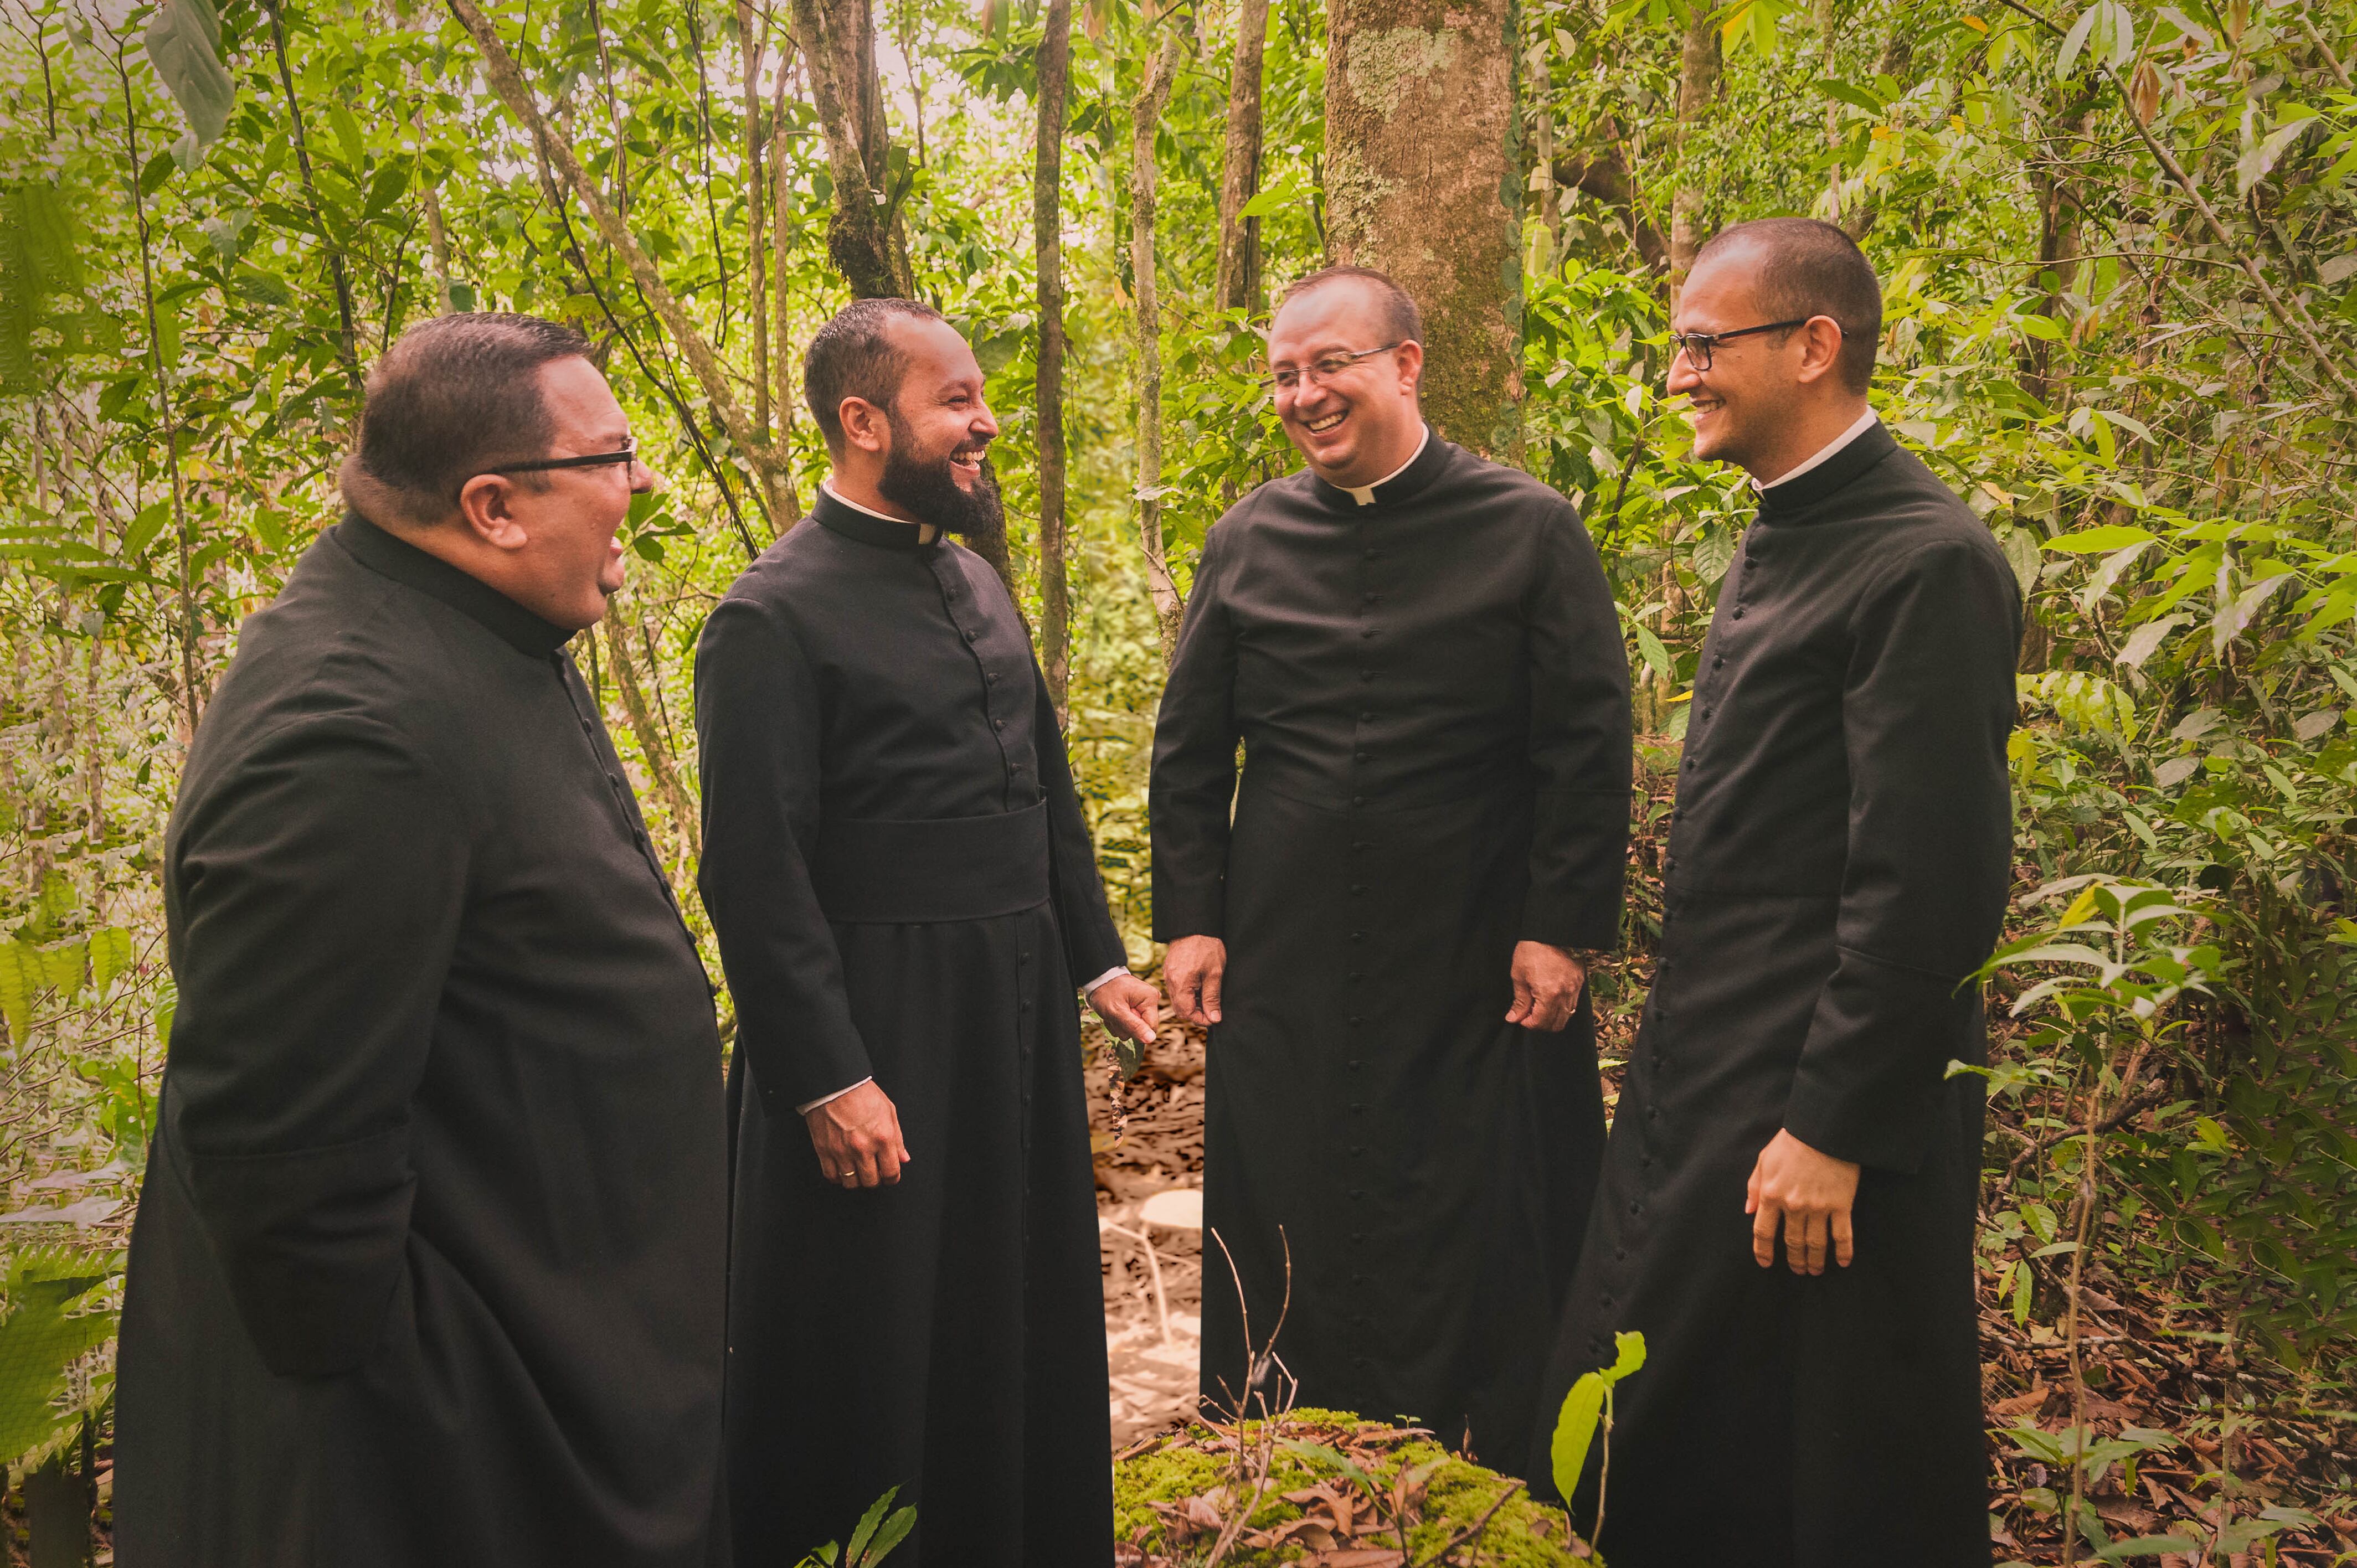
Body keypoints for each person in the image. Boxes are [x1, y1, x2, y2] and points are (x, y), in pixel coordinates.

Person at [114, 314, 729, 1566]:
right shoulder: (351, 733)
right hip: (460, 1450)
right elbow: (287, 1171)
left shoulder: (471, 622)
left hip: (566, 1366)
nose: (643, 482)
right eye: (611, 457)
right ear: (493, 507)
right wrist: (457, 1415)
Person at [1534, 219, 2020, 1565]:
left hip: (1825, 1096)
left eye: (1703, 345)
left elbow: (1930, 877)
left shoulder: (1925, 559)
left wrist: (1833, 1124)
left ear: (1812, 346)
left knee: (1835, 1451)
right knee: (1682, 1424)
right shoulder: (1781, 528)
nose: (1675, 375)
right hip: (1712, 1061)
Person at [697, 298, 1160, 1567]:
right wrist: (828, 1078)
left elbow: (1042, 785)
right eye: (955, 400)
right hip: (878, 1024)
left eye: (982, 397)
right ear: (863, 422)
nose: (985, 422)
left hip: (1011, 1012)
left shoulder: (973, 577)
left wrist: (1096, 958)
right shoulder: (769, 616)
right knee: (878, 1331)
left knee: (1013, 1307)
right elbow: (752, 873)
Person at [1151, 266, 1633, 1464]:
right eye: (1284, 375)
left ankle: (1491, 1468)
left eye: (1331, 365)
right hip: (1287, 947)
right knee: (1292, 1194)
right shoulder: (1245, 538)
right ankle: (1283, 1454)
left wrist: (1559, 926)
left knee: (1480, 1206)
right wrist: (1192, 919)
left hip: (1477, 943)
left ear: (1407, 365)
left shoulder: (1530, 527)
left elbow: (1586, 742)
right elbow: (1191, 746)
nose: (1303, 394)